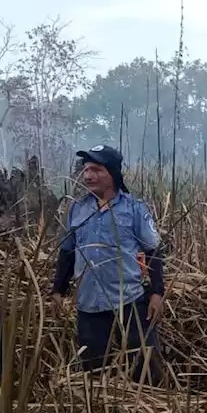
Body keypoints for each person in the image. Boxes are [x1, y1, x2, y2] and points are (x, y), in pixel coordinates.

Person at [51, 144, 166, 382]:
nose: (88, 175)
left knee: (145, 366)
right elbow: (67, 252)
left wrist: (157, 292)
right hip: (89, 304)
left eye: (96, 169)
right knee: (92, 372)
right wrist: (57, 290)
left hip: (129, 300)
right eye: (86, 170)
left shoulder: (134, 209)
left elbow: (152, 250)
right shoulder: (77, 209)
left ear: (112, 173)